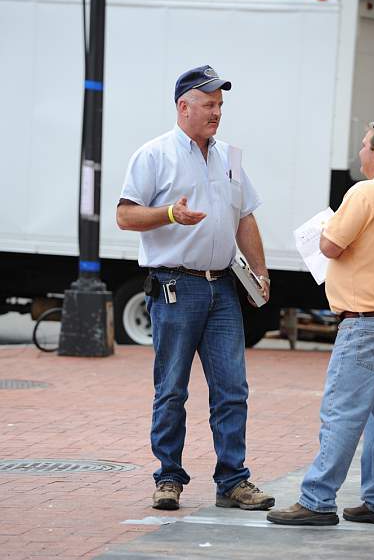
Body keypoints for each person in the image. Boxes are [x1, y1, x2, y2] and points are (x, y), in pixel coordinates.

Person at [117, 65, 274, 511]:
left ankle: (233, 480)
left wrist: (260, 270)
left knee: (233, 388)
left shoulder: (230, 156)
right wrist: (169, 214)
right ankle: (168, 477)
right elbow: (125, 216)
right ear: (183, 106)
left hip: (222, 288)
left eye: (220, 105)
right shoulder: (153, 155)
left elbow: (245, 217)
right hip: (174, 286)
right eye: (209, 104)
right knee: (172, 389)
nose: (217, 113)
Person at [267, 117, 374, 527]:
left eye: (364, 145)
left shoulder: (365, 192)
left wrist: (327, 228)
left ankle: (317, 499)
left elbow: (330, 246)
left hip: (366, 320)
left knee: (343, 413)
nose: (360, 151)